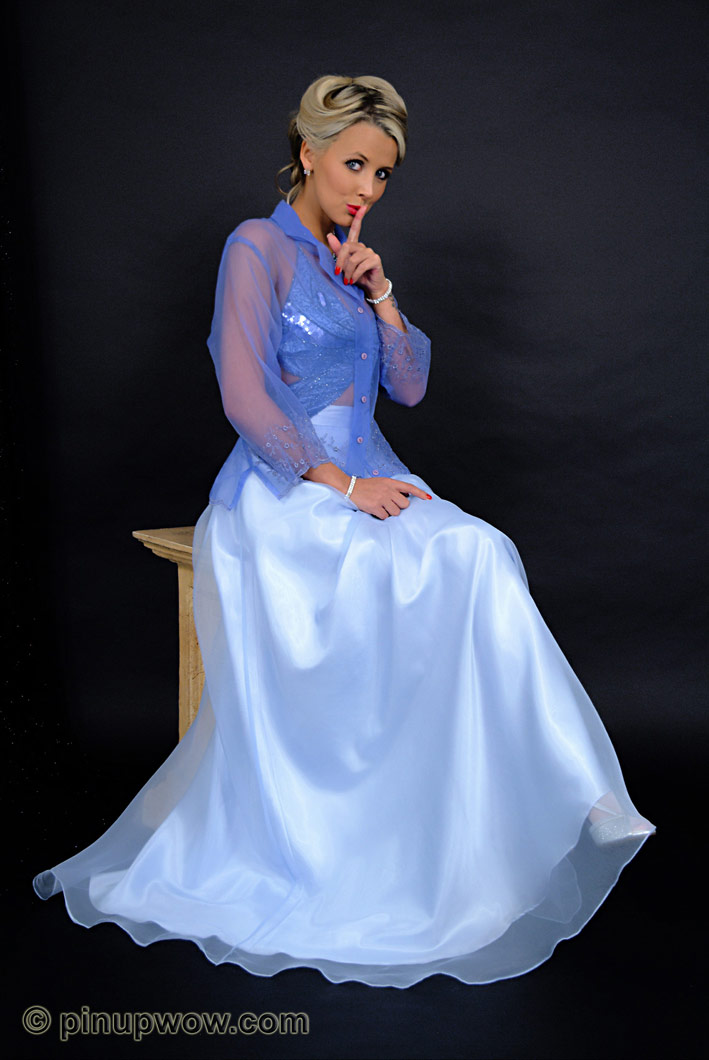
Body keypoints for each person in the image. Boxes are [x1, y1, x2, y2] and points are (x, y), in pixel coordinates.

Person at [33, 74, 656, 988]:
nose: (367, 187)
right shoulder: (255, 247)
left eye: (383, 173)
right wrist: (339, 484)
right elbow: (243, 392)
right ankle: (492, 802)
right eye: (354, 164)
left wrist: (382, 291)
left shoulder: (348, 260)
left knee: (479, 551)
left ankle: (573, 792)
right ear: (308, 152)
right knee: (436, 562)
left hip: (372, 472)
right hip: (285, 485)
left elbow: (408, 388)